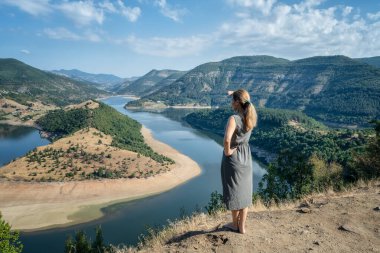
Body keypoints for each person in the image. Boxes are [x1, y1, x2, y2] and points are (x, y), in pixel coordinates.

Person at [221, 89, 257, 234]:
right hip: (246, 158)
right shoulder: (250, 116)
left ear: (237, 102)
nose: (231, 103)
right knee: (244, 192)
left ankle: (234, 224)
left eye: (232, 100)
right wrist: (234, 92)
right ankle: (241, 227)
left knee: (234, 192)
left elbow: (227, 140)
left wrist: (228, 151)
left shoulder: (234, 119)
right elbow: (243, 97)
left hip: (234, 159)